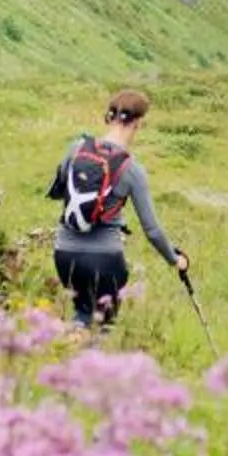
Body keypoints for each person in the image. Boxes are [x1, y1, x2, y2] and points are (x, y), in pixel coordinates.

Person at [46, 88, 187, 328]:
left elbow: (58, 189)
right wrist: (175, 260)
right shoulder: (132, 169)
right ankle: (87, 363)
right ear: (138, 123)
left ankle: (65, 358)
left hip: (65, 253)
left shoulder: (77, 148)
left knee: (80, 316)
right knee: (103, 327)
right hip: (104, 258)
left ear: (109, 117)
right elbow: (151, 230)